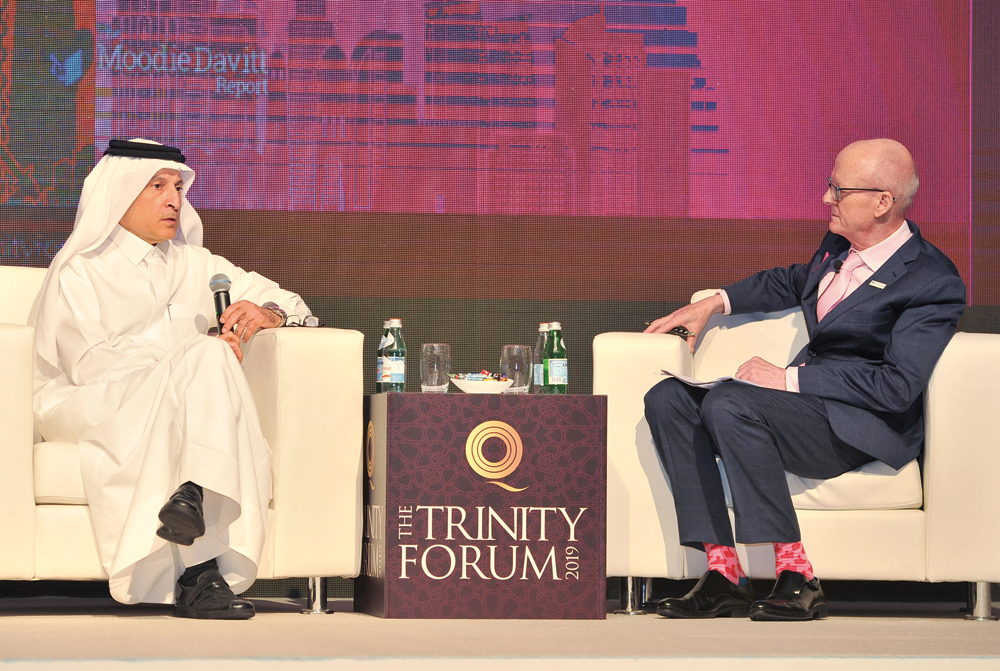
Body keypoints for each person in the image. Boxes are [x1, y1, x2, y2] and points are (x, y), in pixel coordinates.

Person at [643, 139, 966, 621]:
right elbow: (793, 281)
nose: (825, 199)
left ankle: (797, 574)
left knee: (730, 403)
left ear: (882, 202)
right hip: (805, 413)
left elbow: (897, 386)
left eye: (837, 188)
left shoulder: (931, 281)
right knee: (668, 396)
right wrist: (714, 302)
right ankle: (723, 572)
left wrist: (791, 378)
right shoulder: (838, 247)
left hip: (859, 426)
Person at [29, 139, 312, 619]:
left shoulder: (197, 266)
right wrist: (186, 363)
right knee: (209, 355)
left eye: (178, 187)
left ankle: (190, 503)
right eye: (157, 187)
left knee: (211, 359)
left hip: (181, 406)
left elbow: (296, 304)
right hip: (87, 404)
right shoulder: (81, 270)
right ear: (119, 194)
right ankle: (201, 567)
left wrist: (267, 313)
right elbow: (91, 365)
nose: (173, 200)